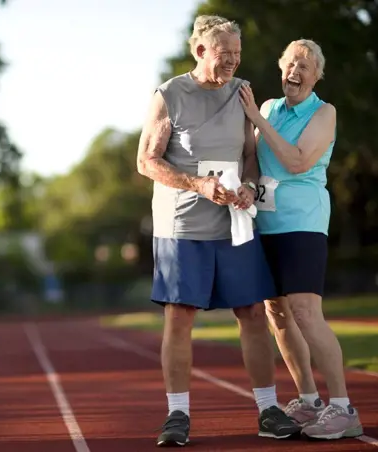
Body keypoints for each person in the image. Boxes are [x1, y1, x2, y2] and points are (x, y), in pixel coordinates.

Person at [136, 15, 301, 447]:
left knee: (251, 311)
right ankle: (177, 415)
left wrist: (248, 186)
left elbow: (250, 154)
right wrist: (197, 184)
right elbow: (147, 161)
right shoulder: (169, 95)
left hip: (235, 222)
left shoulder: (242, 92)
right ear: (200, 52)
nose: (232, 61)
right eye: (224, 54)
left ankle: (268, 408)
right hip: (182, 225)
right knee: (179, 316)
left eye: (237, 54)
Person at [239, 39, 363, 440]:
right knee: (278, 316)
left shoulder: (324, 113)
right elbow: (256, 161)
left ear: (316, 75)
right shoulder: (273, 107)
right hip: (267, 225)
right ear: (281, 68)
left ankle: (343, 408)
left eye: (305, 66)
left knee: (307, 312)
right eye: (290, 63)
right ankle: (309, 400)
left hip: (303, 224)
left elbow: (296, 160)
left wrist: (256, 119)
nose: (295, 70)